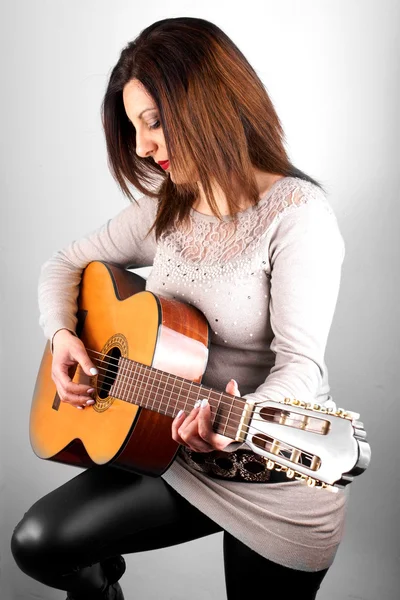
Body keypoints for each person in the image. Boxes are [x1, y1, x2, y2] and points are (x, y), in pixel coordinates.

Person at [11, 16, 348, 600]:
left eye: (155, 122)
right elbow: (63, 263)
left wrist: (234, 426)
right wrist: (63, 334)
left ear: (209, 104)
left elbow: (301, 369)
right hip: (172, 455)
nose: (142, 147)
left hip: (270, 471)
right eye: (134, 128)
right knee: (41, 541)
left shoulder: (298, 216)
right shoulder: (169, 207)